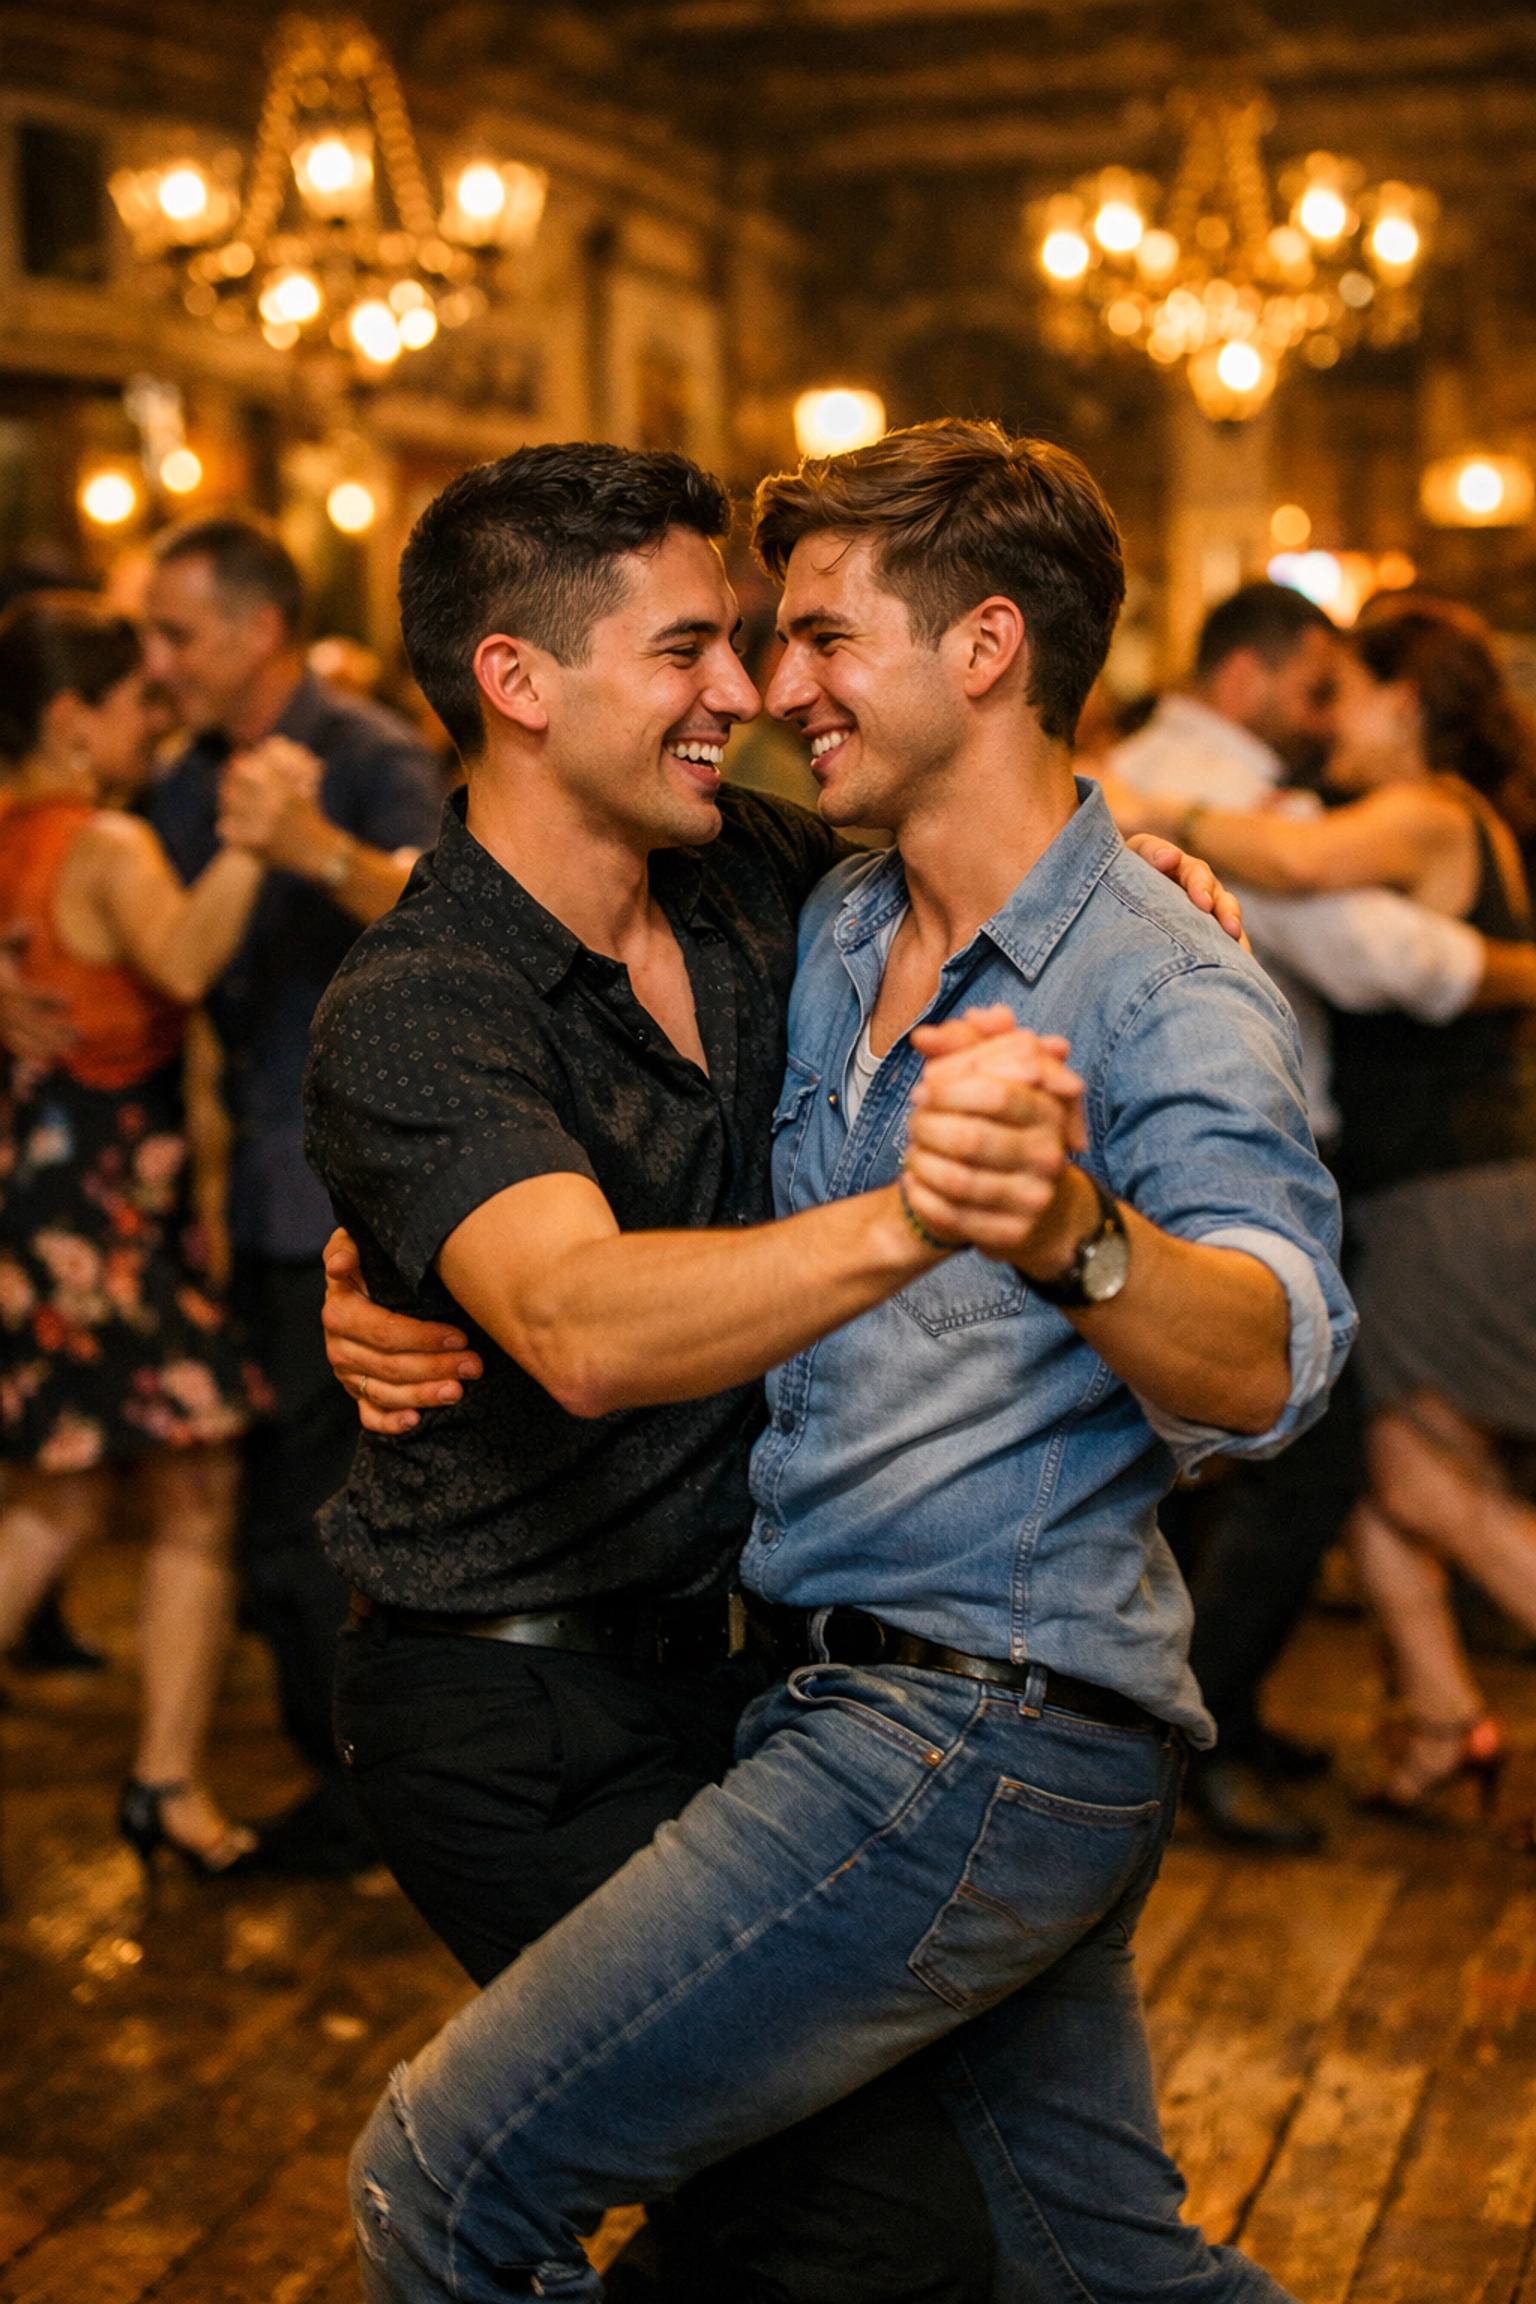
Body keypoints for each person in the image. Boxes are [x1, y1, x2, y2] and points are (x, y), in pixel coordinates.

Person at [310, 421, 1349, 2304]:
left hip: (964, 1714)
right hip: (675, 1694)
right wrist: (391, 1258)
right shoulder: (780, 915)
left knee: (466, 2189)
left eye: (802, 639)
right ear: (517, 678)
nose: (764, 693)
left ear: (982, 648)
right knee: (1074, 2262)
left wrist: (1082, 1206)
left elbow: (1269, 1349)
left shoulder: (1080, 962)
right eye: (720, 647)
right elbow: (565, 1258)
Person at [1102, 580, 1536, 1848]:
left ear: (1404, 703)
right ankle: (1435, 1719)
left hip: (1439, 1191)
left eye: (1345, 693)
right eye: (1317, 687)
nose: (1325, 718)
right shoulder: (1279, 803)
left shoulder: (1358, 811)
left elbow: (1370, 936)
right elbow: (1384, 956)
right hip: (1413, 1184)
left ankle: (1262, 1715)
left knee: (1397, 1477)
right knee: (1376, 1476)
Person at [0, 594, 290, 1873]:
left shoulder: (9, 834)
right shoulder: (106, 840)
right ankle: (165, 1781)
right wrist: (256, 839)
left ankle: (165, 1782)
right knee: (91, 1501)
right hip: (104, 1204)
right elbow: (178, 963)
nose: (154, 726)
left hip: (51, 1190)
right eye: (135, 707)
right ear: (71, 722)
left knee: (144, 1487)